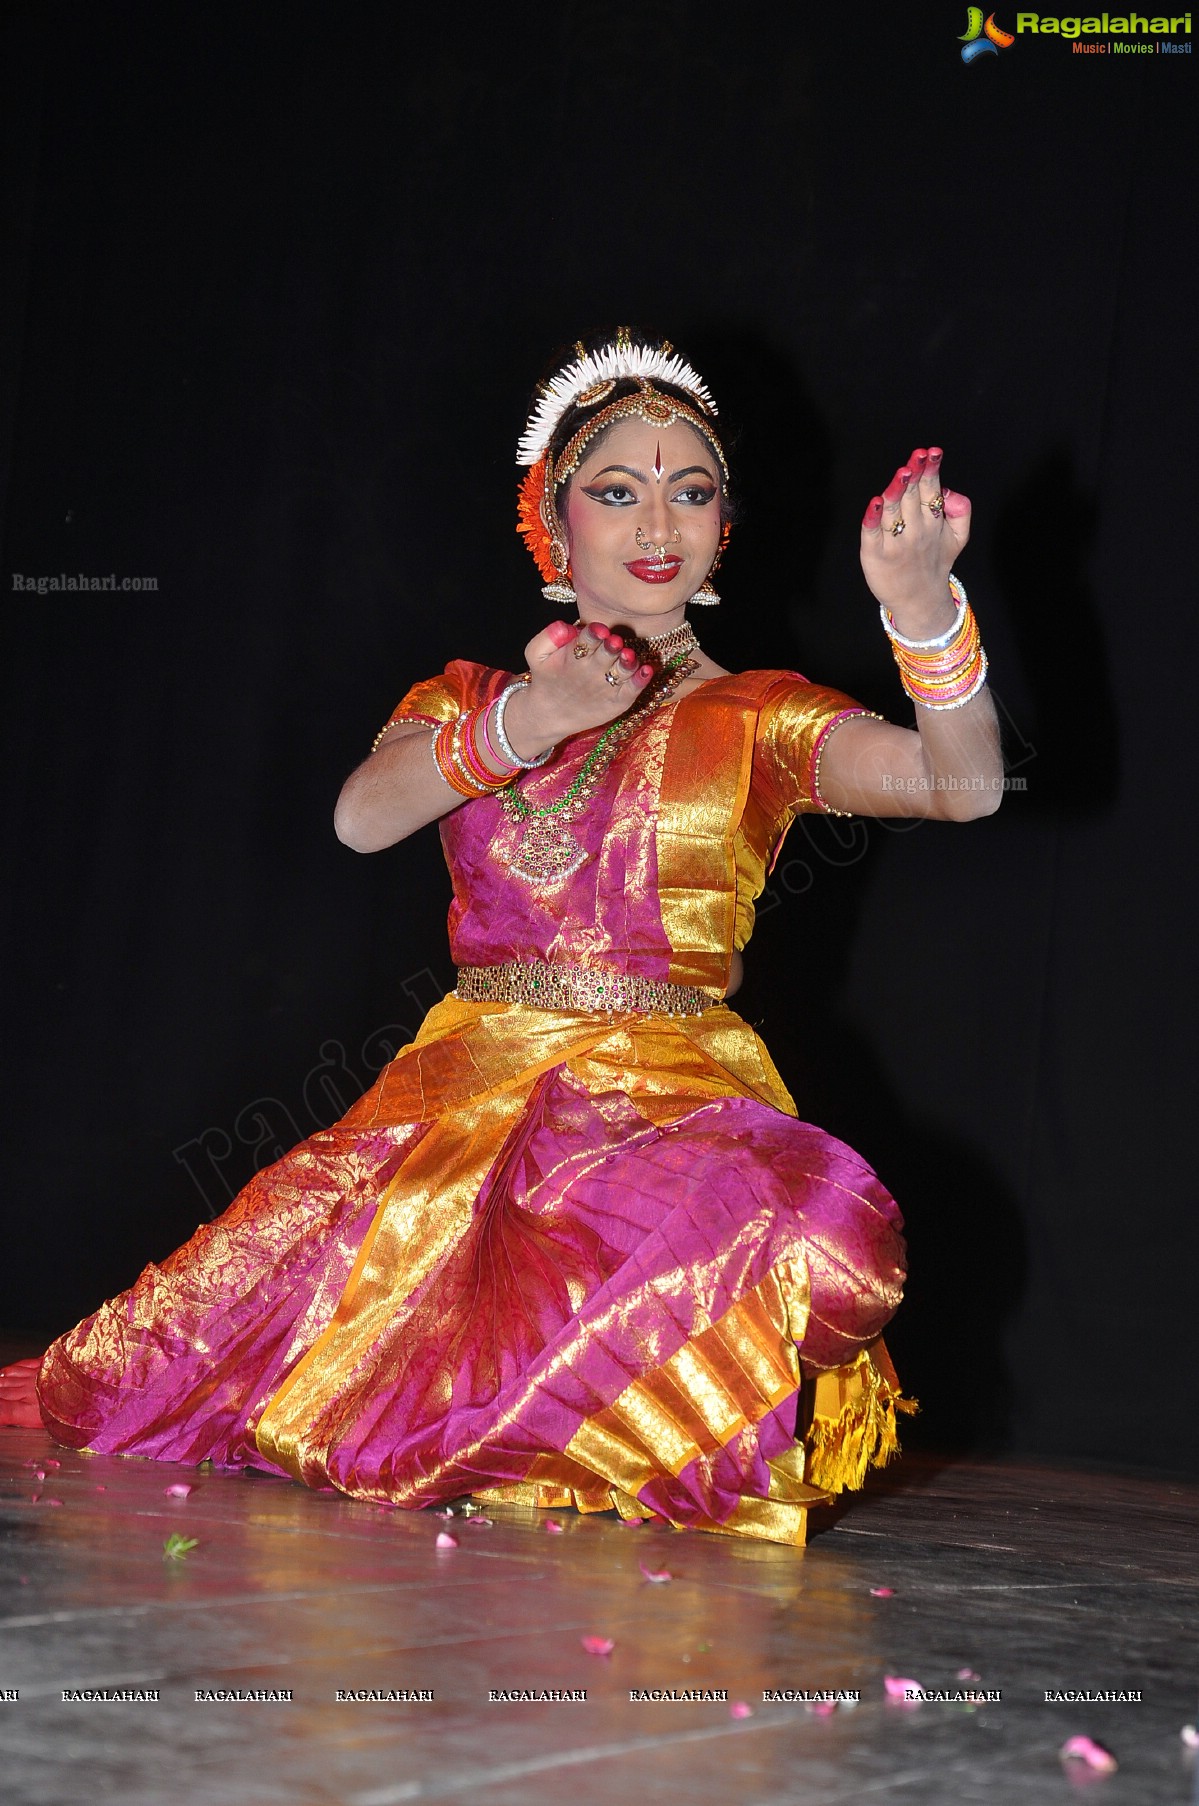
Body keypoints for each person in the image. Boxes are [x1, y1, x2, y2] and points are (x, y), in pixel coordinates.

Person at [3, 332, 1002, 1545]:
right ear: (552, 520)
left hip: (671, 1098)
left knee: (834, 1243)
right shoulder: (467, 698)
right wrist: (537, 715)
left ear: (720, 528)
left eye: (690, 492)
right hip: (468, 1089)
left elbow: (963, 788)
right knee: (149, 1368)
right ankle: (517, 1433)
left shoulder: (762, 714)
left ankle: (562, 1433)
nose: (657, 522)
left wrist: (921, 609)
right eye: (616, 490)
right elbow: (360, 818)